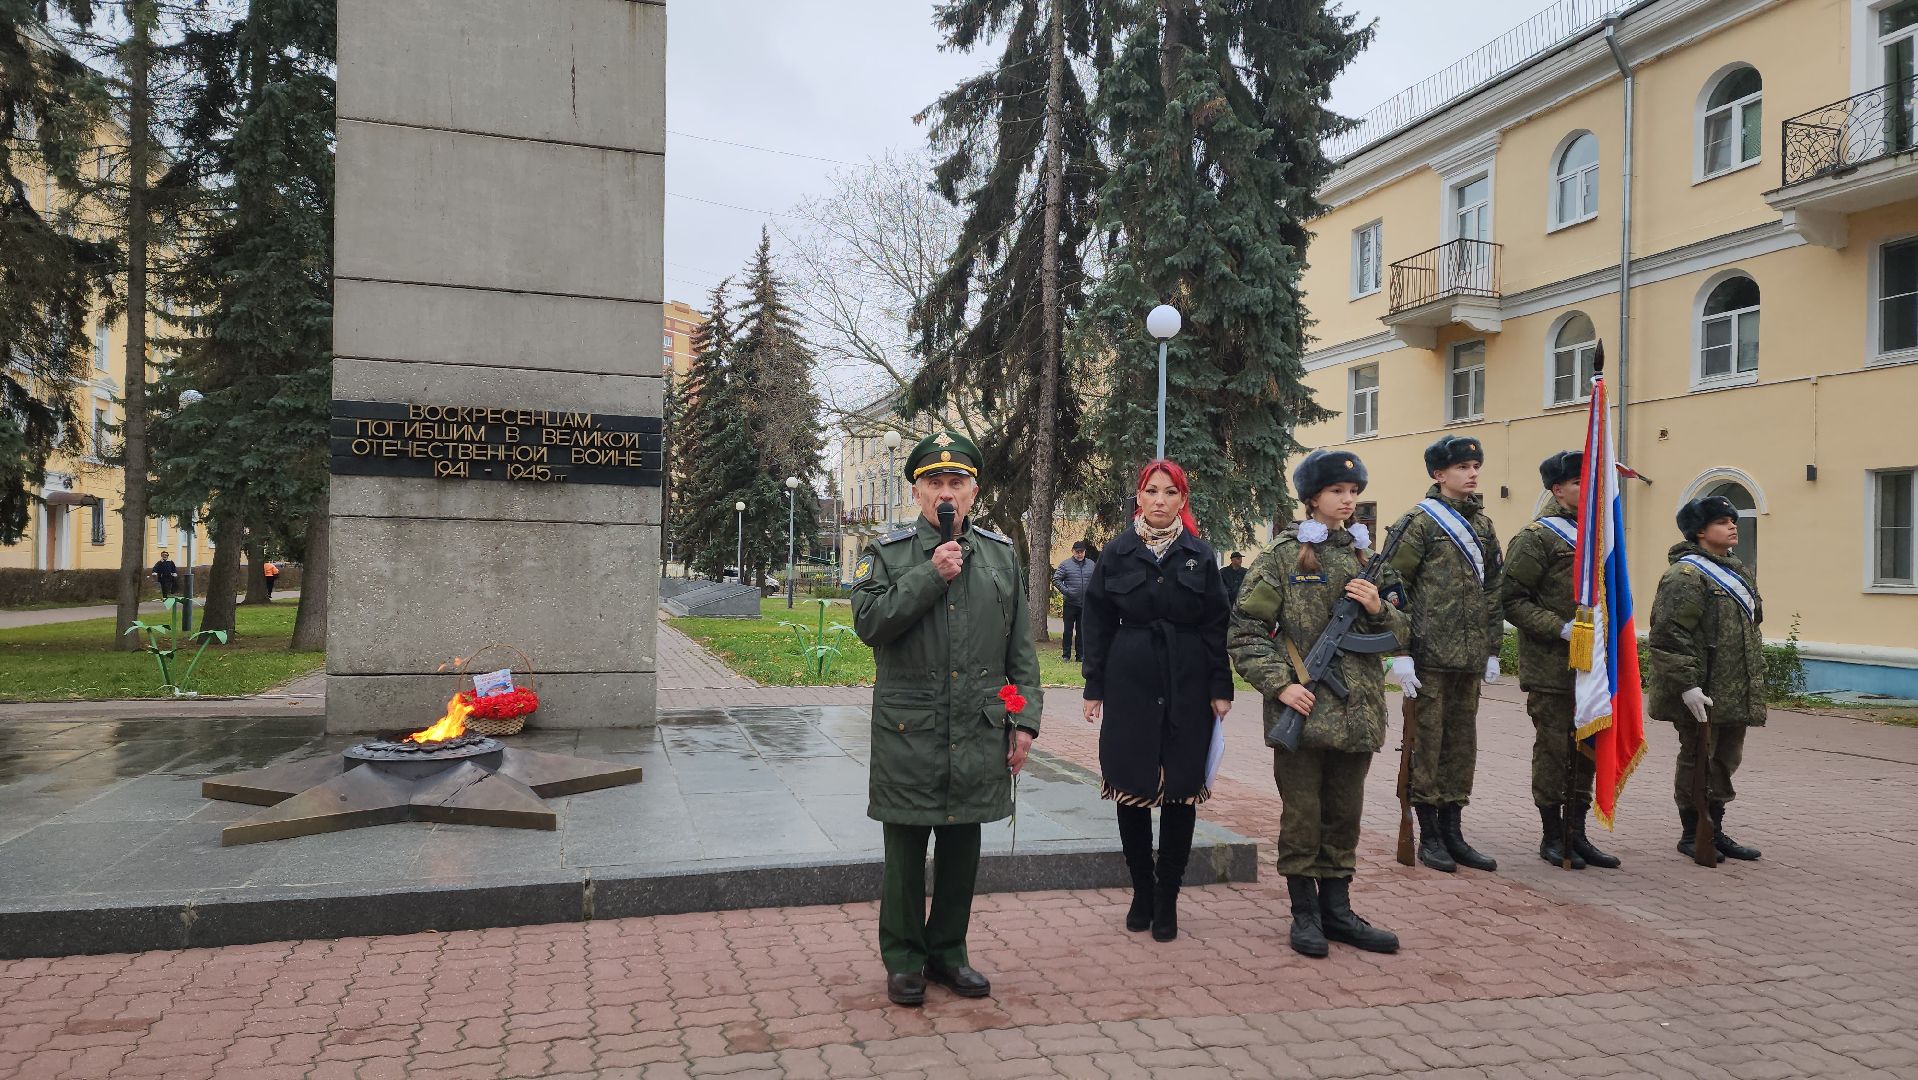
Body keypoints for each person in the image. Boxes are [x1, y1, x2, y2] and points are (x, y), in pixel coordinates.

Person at [850, 430, 1043, 1007]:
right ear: (917, 493)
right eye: (934, 481)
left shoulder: (1001, 556)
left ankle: (950, 954)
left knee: (962, 849)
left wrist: (1022, 720)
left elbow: (1019, 654)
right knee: (906, 853)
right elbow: (871, 625)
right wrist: (932, 572)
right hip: (911, 730)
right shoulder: (886, 555)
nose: (945, 491)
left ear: (974, 491)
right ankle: (905, 959)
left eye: (956, 481)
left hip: (978, 728)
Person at [1230, 449, 1406, 957]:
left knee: (1344, 814)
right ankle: (1304, 913)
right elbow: (1245, 632)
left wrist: (1379, 609)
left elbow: (1404, 631)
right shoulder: (1284, 556)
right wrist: (1281, 685)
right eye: (1337, 492)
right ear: (1312, 498)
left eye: (1354, 492)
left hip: (1357, 713)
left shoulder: (1368, 558)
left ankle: (1338, 910)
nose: (1348, 500)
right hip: (1302, 712)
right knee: (1303, 815)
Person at [1079, 460, 1233, 942]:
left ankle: (1168, 898)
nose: (1161, 500)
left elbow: (1215, 623)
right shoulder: (1117, 552)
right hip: (1130, 682)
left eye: (1171, 492)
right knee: (1131, 788)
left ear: (1182, 501)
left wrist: (1219, 686)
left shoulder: (1200, 554)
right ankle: (1141, 891)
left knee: (1182, 792)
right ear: (1139, 498)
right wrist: (1094, 685)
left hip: (1188, 682)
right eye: (1152, 491)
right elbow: (1098, 621)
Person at [1386, 434, 1503, 874]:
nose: (1472, 473)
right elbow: (1394, 589)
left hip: (1469, 659)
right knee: (1427, 746)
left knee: (1461, 746)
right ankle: (1429, 834)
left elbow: (1494, 589)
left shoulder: (1484, 525)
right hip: (1429, 657)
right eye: (1462, 468)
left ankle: (1454, 830)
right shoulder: (1419, 523)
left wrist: (1492, 648)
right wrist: (1400, 651)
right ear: (1439, 474)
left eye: (1476, 466)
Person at [1500, 451, 1620, 871]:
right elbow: (1511, 600)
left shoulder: (1598, 535)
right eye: (1578, 483)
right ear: (1558, 489)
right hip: (1553, 668)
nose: (1588, 490)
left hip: (1595, 667)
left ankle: (1578, 832)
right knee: (1555, 752)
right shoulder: (1536, 538)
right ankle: (1552, 835)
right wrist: (1559, 628)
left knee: (1586, 748)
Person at [1650, 495, 1765, 863]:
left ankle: (1715, 829)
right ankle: (1693, 832)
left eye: (1733, 520)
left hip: (1733, 687)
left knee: (1725, 759)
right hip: (1700, 687)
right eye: (1722, 521)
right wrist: (1687, 685)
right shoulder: (1685, 576)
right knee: (1699, 758)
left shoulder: (1737, 569)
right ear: (1700, 531)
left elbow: (1751, 624)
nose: (1733, 525)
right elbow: (1669, 636)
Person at [1052, 541, 1094, 662]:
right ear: (1073, 552)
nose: (1080, 554)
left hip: (1085, 604)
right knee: (1068, 630)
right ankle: (1066, 655)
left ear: (1085, 552)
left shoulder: (1091, 565)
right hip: (1070, 603)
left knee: (1081, 631)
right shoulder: (1065, 565)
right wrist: (1067, 591)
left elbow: (1097, 579)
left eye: (1082, 552)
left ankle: (1080, 655)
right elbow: (1056, 579)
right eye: (1077, 552)